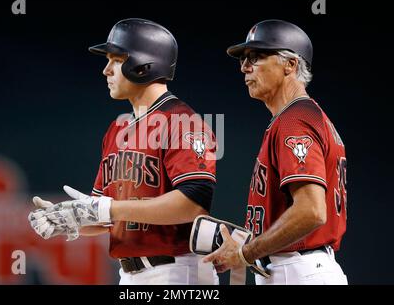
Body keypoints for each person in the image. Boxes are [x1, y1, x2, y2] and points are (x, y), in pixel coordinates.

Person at [28, 18, 219, 285]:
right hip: (130, 275)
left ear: (143, 64)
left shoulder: (183, 122)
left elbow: (193, 204)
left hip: (177, 272)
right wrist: (71, 219)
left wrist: (107, 209)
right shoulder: (118, 129)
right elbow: (107, 215)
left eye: (115, 60)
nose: (106, 70)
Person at [203, 19, 348, 285]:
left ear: (290, 65)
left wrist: (246, 252)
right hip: (299, 268)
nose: (245, 67)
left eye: (256, 57)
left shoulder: (295, 120)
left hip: (299, 269)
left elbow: (311, 211)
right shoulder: (300, 116)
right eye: (244, 59)